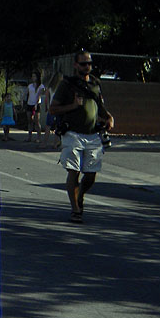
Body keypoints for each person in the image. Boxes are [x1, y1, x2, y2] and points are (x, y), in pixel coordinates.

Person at [48, 50, 114, 223]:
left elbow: (100, 107)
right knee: (74, 171)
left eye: (89, 63)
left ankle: (80, 195)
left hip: (92, 135)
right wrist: (73, 105)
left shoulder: (95, 83)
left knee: (91, 174)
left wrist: (109, 117)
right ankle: (75, 209)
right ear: (76, 65)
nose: (87, 66)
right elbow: (53, 109)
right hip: (72, 133)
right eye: (84, 63)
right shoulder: (67, 84)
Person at [25, 71, 44, 142]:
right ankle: (29, 137)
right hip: (29, 104)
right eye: (32, 76)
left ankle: (38, 137)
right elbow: (26, 93)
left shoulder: (41, 86)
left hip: (36, 104)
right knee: (29, 121)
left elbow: (40, 95)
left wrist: (37, 103)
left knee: (36, 121)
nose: (33, 78)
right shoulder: (30, 86)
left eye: (34, 76)